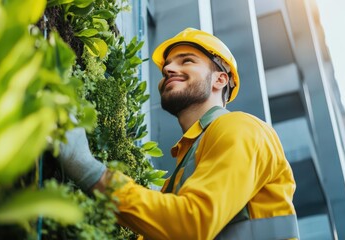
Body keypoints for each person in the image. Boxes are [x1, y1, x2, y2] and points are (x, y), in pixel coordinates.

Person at [59, 28, 300, 240]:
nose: (168, 68)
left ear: (220, 79)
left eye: (187, 61)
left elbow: (192, 223)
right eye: (168, 65)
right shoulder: (187, 162)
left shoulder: (240, 128)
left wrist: (87, 169)